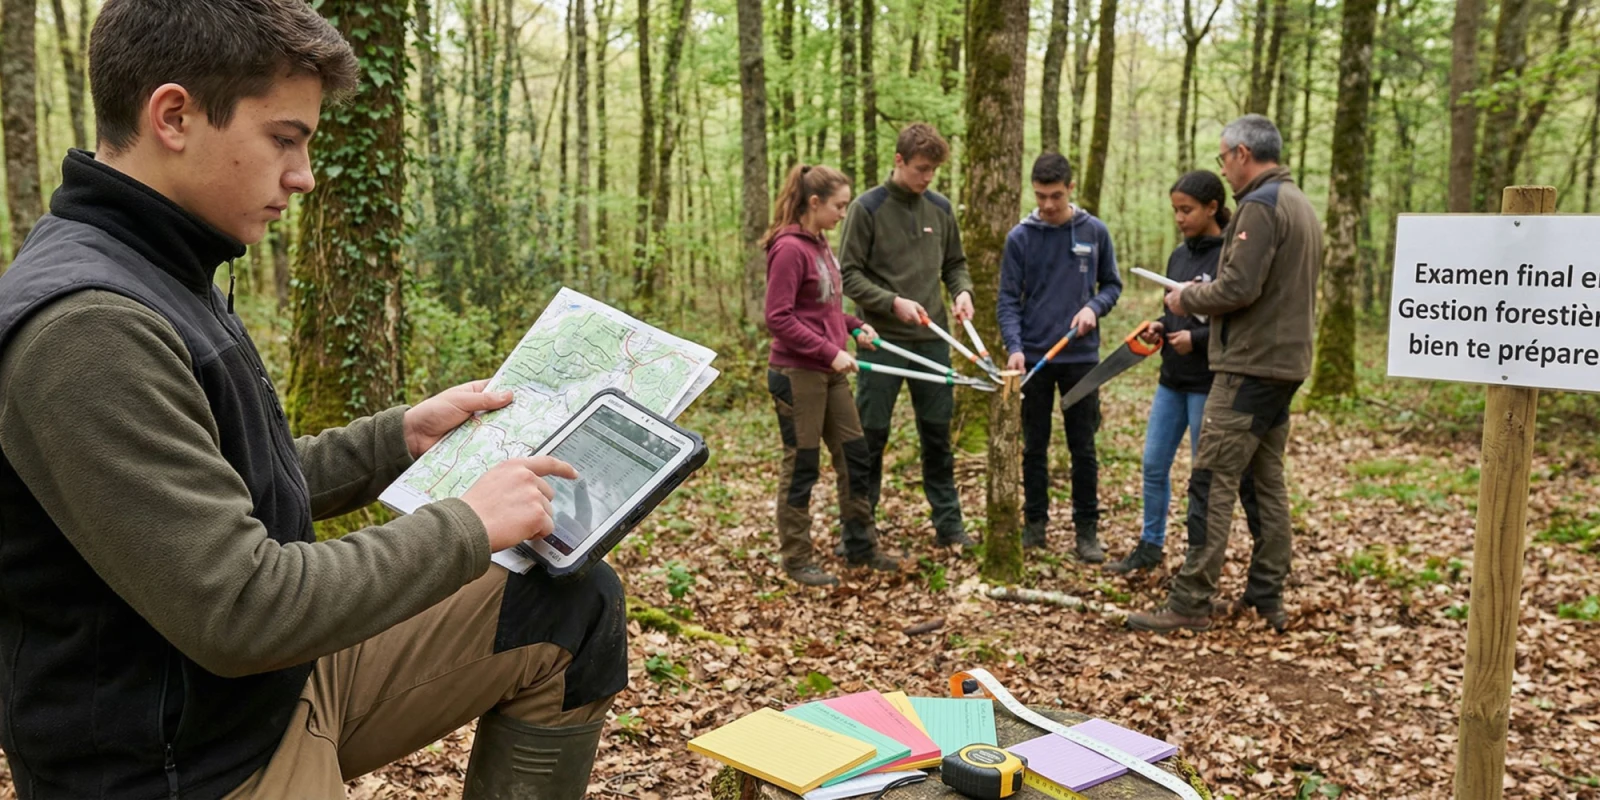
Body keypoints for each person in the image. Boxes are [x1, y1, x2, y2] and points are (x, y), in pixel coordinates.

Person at [0, 2, 625, 798]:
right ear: (174, 116)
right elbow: (243, 607)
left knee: (567, 606)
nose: (304, 174)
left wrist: (393, 439)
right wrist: (468, 524)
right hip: (184, 766)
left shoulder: (164, 267)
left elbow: (217, 484)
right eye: (284, 139)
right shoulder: (89, 328)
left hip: (263, 695)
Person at [1127, 114, 1322, 634]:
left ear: (1241, 153)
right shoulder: (1300, 204)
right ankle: (1265, 596)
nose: (1224, 169)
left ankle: (1190, 602)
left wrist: (1185, 297)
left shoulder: (1260, 206)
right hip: (1286, 365)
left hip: (1250, 366)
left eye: (1223, 158)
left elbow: (1238, 287)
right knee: (1264, 482)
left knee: (1211, 481)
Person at [1106, 170, 1263, 574]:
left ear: (1212, 208)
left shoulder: (1230, 253)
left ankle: (1199, 557)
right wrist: (1162, 326)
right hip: (1171, 380)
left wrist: (1196, 339)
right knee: (1153, 464)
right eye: (1175, 210)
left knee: (1203, 475)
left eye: (1187, 210)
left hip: (1209, 382)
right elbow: (1173, 307)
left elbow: (1239, 316)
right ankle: (1150, 544)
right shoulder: (1179, 255)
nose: (1179, 218)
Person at [839, 123, 977, 548]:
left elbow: (955, 262)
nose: (927, 177)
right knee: (871, 437)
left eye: (933, 170)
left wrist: (962, 291)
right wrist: (891, 302)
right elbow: (848, 275)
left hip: (933, 339)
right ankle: (859, 532)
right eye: (921, 169)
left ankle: (949, 526)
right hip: (880, 341)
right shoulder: (867, 208)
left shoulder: (940, 208)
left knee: (937, 437)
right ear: (898, 161)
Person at [764, 164, 901, 586]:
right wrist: (829, 350)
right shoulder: (789, 249)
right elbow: (779, 317)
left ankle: (860, 544)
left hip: (830, 370)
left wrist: (853, 326)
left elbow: (821, 309)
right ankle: (797, 558)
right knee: (803, 464)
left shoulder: (821, 245)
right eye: (839, 205)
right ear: (815, 202)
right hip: (797, 373)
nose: (845, 213)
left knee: (855, 455)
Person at [997, 152, 1122, 561]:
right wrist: (1014, 347)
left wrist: (1094, 308)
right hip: (1034, 359)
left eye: (1055, 195)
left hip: (1081, 357)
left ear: (1070, 189)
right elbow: (1007, 300)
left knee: (1082, 446)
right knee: (1034, 445)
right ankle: (1035, 525)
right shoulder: (1020, 237)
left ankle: (1087, 532)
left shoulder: (1094, 231)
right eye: (1039, 196)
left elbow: (1111, 286)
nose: (1047, 205)